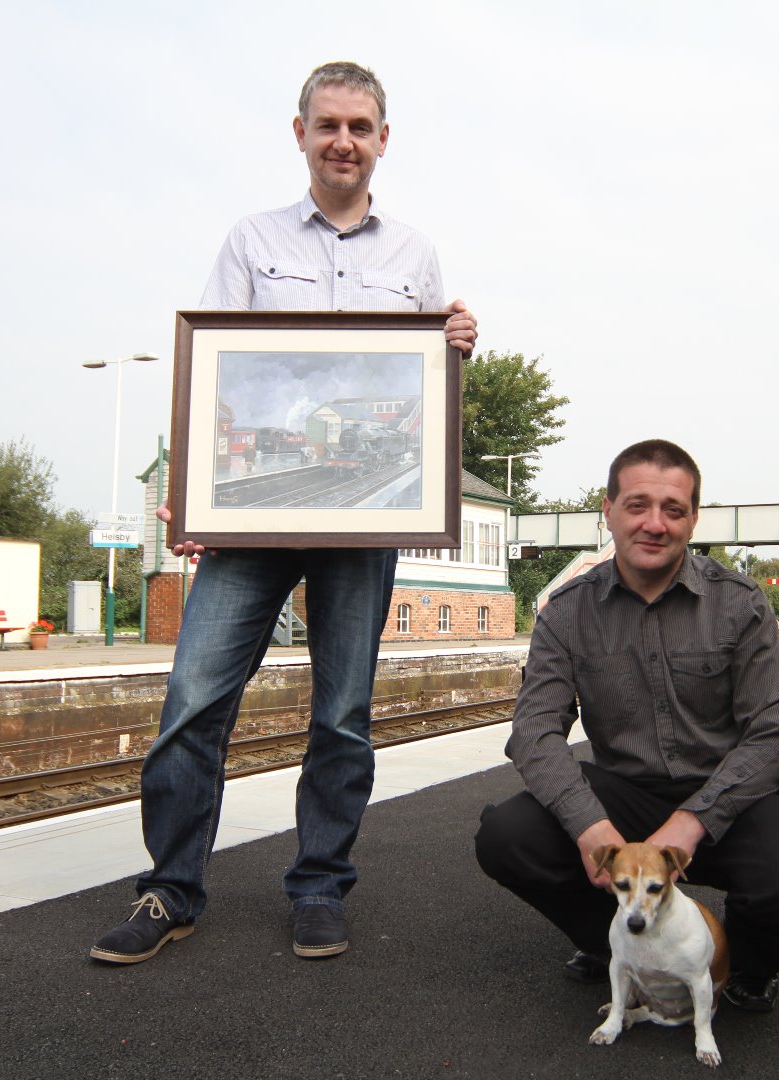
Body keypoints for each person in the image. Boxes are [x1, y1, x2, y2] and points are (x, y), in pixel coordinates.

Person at [91, 61, 477, 965]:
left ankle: (319, 886)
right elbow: (213, 374)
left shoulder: (414, 255)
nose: (344, 140)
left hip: (365, 536)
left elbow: (424, 392)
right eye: (328, 124)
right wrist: (191, 496)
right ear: (299, 132)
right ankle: (170, 891)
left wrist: (456, 348)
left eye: (360, 126)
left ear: (384, 140)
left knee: (342, 714)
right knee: (191, 702)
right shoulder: (251, 239)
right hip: (245, 534)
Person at [475, 439, 779, 1012]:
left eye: (673, 509)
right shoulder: (567, 612)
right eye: (638, 505)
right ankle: (613, 944)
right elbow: (535, 732)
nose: (654, 524)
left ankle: (740, 965)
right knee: (508, 836)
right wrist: (588, 826)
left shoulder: (739, 604)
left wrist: (693, 821)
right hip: (625, 794)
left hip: (726, 798)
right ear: (609, 509)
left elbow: (773, 733)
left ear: (693, 518)